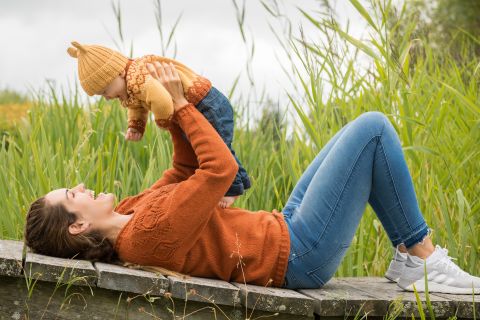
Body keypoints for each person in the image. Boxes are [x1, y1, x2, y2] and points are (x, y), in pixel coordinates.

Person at [24, 62, 480, 294]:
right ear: (77, 224)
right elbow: (218, 172)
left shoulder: (128, 212)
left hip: (282, 229)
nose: (80, 185)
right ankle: (421, 256)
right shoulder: (144, 237)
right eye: (72, 193)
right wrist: (184, 107)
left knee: (355, 135)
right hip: (301, 255)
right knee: (373, 129)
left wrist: (168, 112)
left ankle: (408, 259)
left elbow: (186, 171)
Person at [67, 41, 250, 208]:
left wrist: (164, 121)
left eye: (105, 90)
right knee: (213, 148)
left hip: (207, 104)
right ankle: (242, 181)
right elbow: (137, 105)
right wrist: (136, 125)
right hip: (201, 106)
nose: (106, 98)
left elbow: (162, 101)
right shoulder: (131, 84)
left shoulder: (138, 76)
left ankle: (232, 189)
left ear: (119, 72)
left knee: (218, 148)